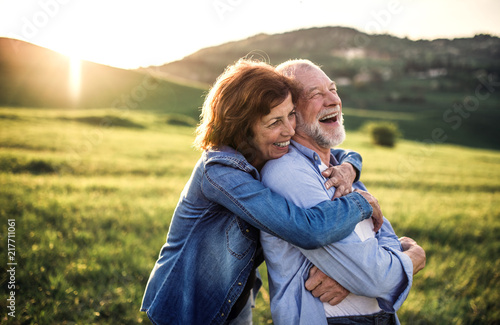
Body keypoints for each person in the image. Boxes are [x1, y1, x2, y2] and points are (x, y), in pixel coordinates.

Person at [140, 59, 384, 325]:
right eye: (274, 122)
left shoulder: (263, 151)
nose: (290, 130)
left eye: (291, 114)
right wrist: (361, 203)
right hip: (188, 307)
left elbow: (335, 153)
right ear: (243, 129)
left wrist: (350, 167)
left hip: (235, 300)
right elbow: (306, 230)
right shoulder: (220, 172)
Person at [260, 59, 426, 325]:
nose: (332, 101)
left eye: (333, 89)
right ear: (291, 113)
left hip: (380, 316)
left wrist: (354, 278)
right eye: (315, 94)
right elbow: (373, 277)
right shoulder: (287, 172)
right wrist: (414, 257)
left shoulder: (341, 170)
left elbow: (385, 239)